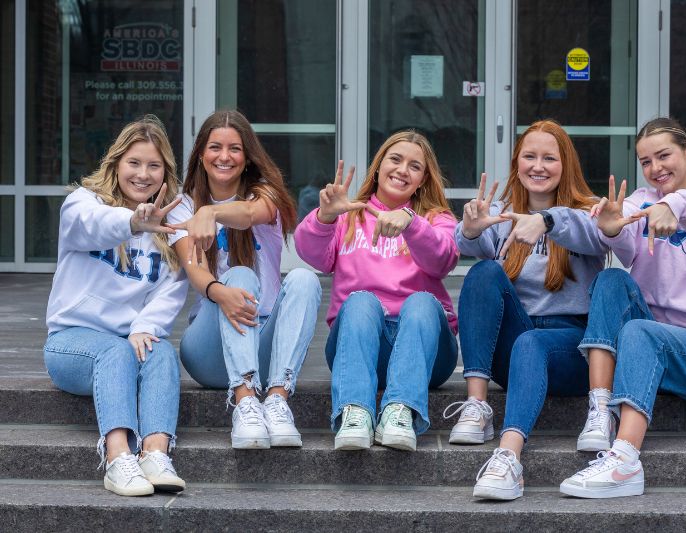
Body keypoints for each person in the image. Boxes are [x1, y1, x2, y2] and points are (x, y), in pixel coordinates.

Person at [560, 117, 686, 498]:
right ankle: (599, 410)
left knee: (640, 332)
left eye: (664, 156)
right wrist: (611, 228)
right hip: (651, 344)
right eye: (646, 161)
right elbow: (626, 246)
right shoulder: (640, 201)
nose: (655, 168)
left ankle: (626, 460)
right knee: (611, 279)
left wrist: (673, 204)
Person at [446, 120, 607, 500]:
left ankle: (509, 459)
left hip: (568, 350)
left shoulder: (588, 212)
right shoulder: (504, 214)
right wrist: (469, 229)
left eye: (549, 158)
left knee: (533, 342)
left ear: (565, 164)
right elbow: (464, 244)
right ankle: (476, 405)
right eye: (529, 156)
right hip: (516, 344)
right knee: (483, 272)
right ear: (517, 162)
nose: (538, 166)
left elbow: (596, 234)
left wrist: (546, 221)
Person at [44, 115, 188, 496]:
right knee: (114, 351)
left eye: (154, 166)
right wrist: (134, 222)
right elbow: (93, 224)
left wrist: (146, 326)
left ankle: (155, 454)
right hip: (71, 345)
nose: (143, 174)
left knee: (160, 353)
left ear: (165, 172)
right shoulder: (83, 203)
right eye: (134, 163)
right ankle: (117, 457)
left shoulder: (171, 224)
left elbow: (172, 288)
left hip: (127, 342)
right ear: (116, 163)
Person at [294, 130, 459, 452]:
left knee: (423, 303)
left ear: (424, 179)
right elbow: (310, 253)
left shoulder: (435, 219)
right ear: (379, 166)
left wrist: (411, 222)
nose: (402, 170)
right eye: (395, 160)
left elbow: (442, 260)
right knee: (359, 302)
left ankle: (401, 412)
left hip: (427, 351)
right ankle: (355, 412)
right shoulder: (350, 215)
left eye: (414, 166)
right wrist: (326, 216)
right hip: (360, 345)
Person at [166, 110, 321, 450]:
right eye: (215, 147)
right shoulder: (182, 205)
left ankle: (278, 399)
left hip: (265, 344)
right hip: (210, 350)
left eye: (234, 148)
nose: (224, 156)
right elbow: (195, 268)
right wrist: (221, 294)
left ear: (248, 155)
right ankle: (245, 401)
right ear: (200, 154)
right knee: (238, 275)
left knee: (304, 279)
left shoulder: (267, 195)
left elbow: (251, 214)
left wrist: (212, 212)